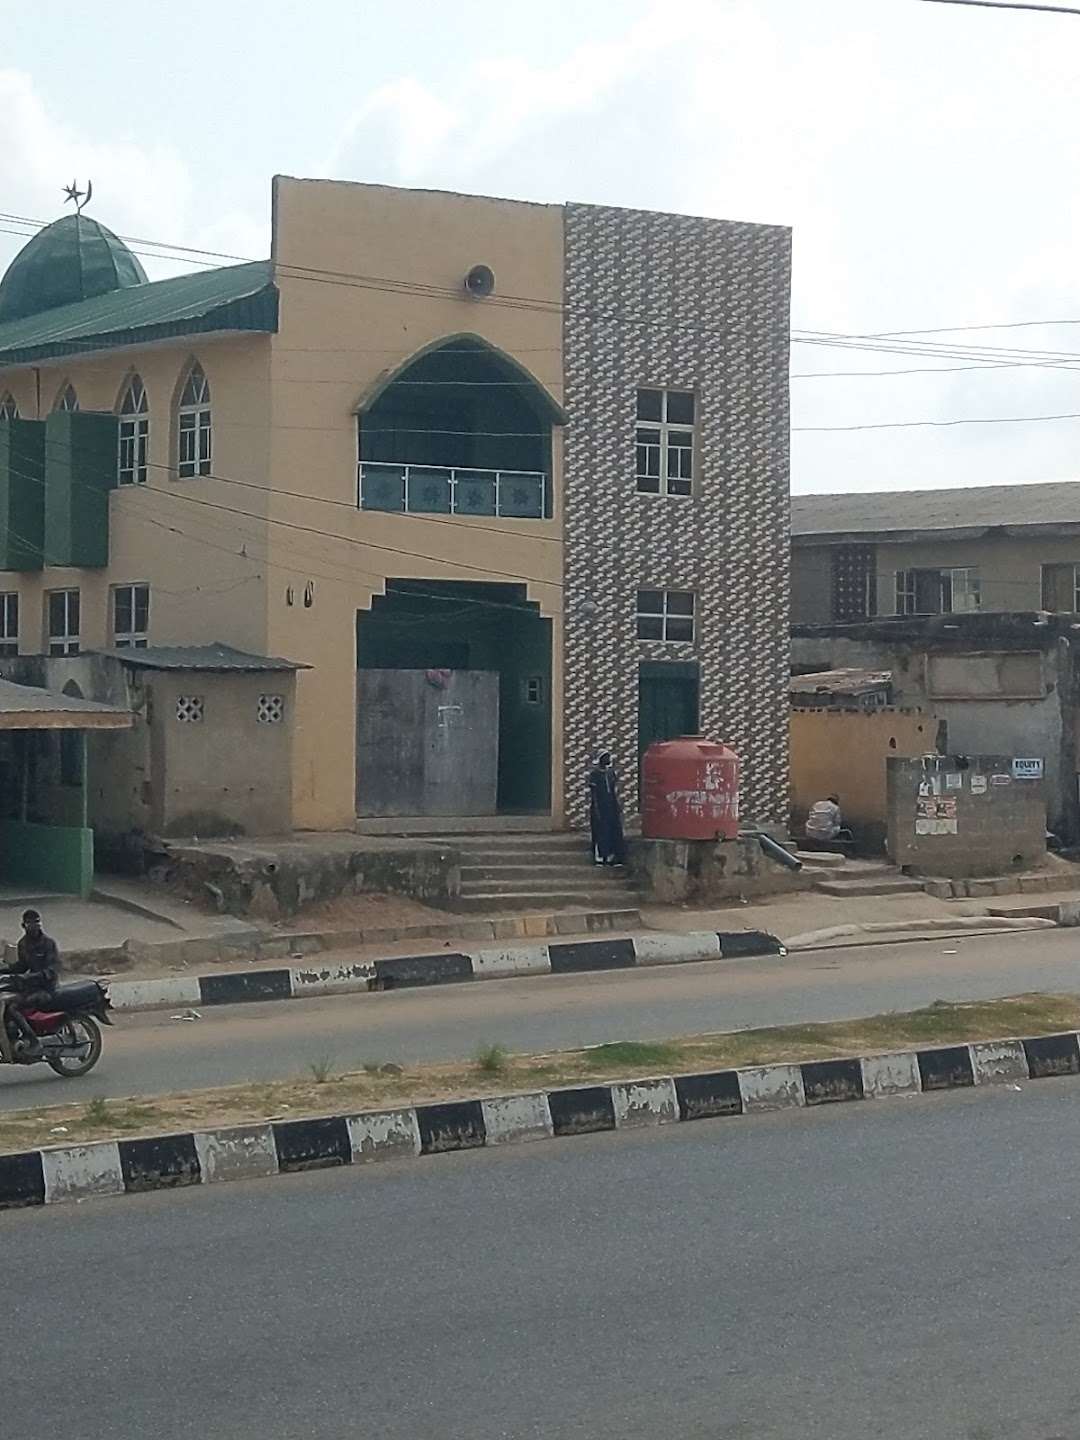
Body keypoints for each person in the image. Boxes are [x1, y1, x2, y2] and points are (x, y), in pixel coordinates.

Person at [0, 909, 62, 1061]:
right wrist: (3, 971)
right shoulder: (23, 944)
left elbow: (51, 972)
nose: (34, 927)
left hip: (46, 989)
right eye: (30, 924)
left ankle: (34, 1042)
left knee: (12, 1006)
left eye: (37, 923)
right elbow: (21, 966)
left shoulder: (49, 944)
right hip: (31, 987)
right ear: (24, 925)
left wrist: (28, 977)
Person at [588, 751, 625, 867]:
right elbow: (594, 794)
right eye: (606, 757)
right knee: (600, 831)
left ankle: (612, 856)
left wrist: (617, 806)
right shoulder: (595, 774)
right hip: (600, 806)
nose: (609, 760)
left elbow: (614, 791)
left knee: (614, 830)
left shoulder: (611, 774)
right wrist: (596, 808)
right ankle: (600, 856)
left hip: (611, 805)